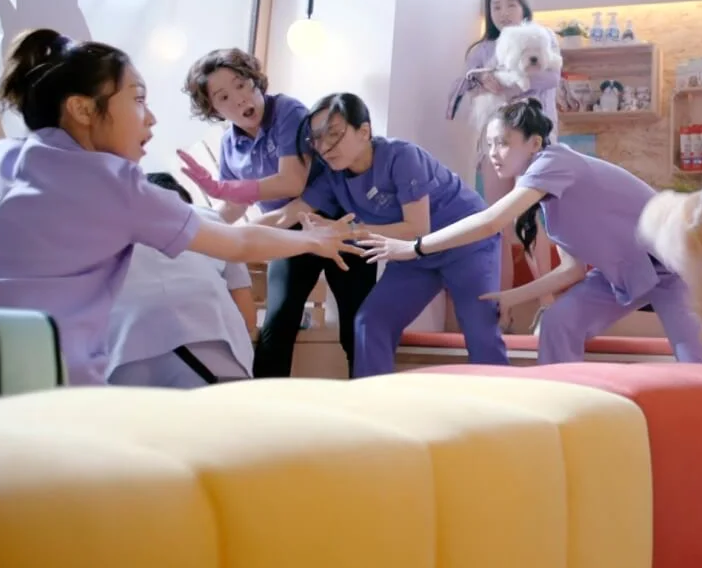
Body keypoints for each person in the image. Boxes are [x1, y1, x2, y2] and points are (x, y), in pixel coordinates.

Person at [0, 28, 357, 386]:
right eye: (137, 99)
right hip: (30, 388)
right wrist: (313, 240)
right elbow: (238, 242)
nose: (150, 118)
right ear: (81, 109)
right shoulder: (110, 183)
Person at [359, 99, 702, 365]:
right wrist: (512, 297)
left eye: (502, 143)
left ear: (534, 142)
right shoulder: (548, 203)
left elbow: (490, 222)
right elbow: (572, 270)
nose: (493, 154)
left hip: (671, 267)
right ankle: (562, 409)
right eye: (489, 145)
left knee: (699, 363)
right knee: (558, 323)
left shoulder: (555, 161)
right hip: (621, 277)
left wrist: (414, 247)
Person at [262, 92, 508, 375]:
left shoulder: (402, 156)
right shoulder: (333, 177)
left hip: (466, 243)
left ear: (364, 131)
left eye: (334, 134)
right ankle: (373, 399)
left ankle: (505, 400)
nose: (324, 146)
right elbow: (287, 214)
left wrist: (349, 231)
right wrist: (230, 234)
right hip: (413, 256)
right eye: (316, 138)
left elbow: (417, 228)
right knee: (370, 322)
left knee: (481, 333)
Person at [178, 48, 377, 378]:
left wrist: (230, 196)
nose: (239, 99)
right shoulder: (230, 144)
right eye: (224, 97)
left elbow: (291, 181)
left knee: (357, 326)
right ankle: (263, 403)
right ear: (214, 109)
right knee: (278, 323)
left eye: (241, 85)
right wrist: (197, 229)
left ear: (255, 80)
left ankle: (371, 398)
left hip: (338, 222)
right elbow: (234, 206)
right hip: (291, 233)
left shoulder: (287, 111)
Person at [444, 0, 557, 309]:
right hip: (494, 143)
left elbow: (551, 76)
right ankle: (502, 307)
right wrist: (480, 77)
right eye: (496, 7)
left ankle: (546, 303)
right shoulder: (481, 51)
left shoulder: (541, 37)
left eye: (510, 4)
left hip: (532, 141)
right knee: (498, 225)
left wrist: (504, 83)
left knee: (529, 220)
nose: (504, 12)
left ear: (523, 7)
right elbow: (463, 85)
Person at [105, 173, 256, 388]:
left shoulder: (109, 228)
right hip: (208, 348)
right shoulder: (209, 220)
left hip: (123, 351)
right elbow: (247, 318)